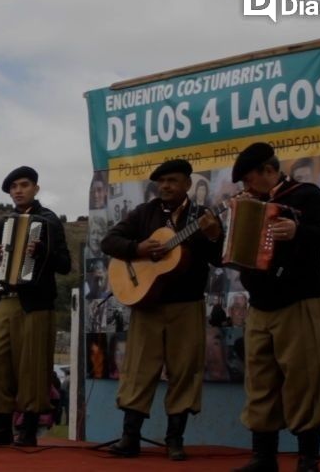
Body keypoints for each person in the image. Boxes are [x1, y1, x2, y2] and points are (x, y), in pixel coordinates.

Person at [100, 159, 223, 461]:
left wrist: (212, 236)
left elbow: (219, 259)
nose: (166, 186)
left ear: (187, 184)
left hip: (187, 304)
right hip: (148, 305)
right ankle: (130, 438)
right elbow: (109, 241)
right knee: (138, 369)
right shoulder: (145, 213)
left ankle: (174, 440)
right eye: (162, 181)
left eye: (173, 180)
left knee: (184, 371)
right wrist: (138, 249)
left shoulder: (201, 216)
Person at [229, 142, 320, 472]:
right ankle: (264, 458)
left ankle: (308, 461)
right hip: (260, 305)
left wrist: (298, 230)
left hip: (299, 300)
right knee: (260, 381)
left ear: (268, 170)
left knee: (303, 379)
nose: (247, 188)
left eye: (250, 179)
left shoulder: (304, 195)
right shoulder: (251, 204)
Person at [0, 166, 71, 447]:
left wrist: (42, 253)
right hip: (7, 296)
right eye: (13, 187)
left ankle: (28, 429)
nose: (18, 190)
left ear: (36, 188)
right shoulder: (5, 222)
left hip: (37, 301)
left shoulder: (49, 221)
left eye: (24, 185)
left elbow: (64, 264)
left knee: (32, 365)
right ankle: (0, 427)